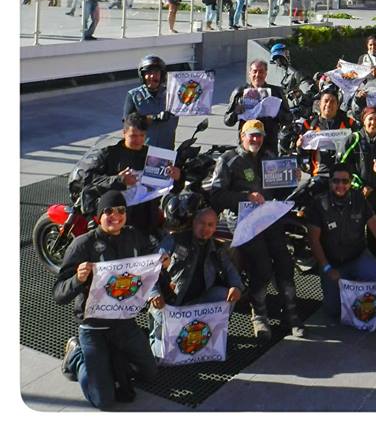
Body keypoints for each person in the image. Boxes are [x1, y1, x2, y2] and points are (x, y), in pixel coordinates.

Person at [55, 190, 160, 408]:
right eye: (109, 211)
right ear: (98, 216)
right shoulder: (82, 244)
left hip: (125, 323)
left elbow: (152, 253)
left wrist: (162, 260)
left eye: (121, 210)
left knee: (150, 374)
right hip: (94, 328)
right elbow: (59, 294)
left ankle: (111, 361)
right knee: (103, 400)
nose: (116, 216)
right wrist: (77, 279)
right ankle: (76, 356)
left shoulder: (134, 236)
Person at [210, 119, 304, 339]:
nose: (255, 139)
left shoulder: (269, 157)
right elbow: (216, 195)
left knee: (284, 261)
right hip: (243, 220)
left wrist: (292, 179)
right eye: (251, 135)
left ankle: (290, 313)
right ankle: (259, 315)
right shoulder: (228, 160)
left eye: (259, 135)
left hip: (268, 216)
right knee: (261, 264)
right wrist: (245, 197)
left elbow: (279, 192)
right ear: (242, 136)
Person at [306, 162, 376, 319]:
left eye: (345, 181)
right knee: (334, 312)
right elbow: (313, 241)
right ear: (330, 182)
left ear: (351, 182)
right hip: (331, 262)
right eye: (336, 181)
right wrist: (326, 268)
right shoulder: (318, 204)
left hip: (357, 256)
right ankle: (342, 286)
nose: (340, 185)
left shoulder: (359, 199)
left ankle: (354, 285)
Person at [149, 207, 244, 354]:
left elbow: (230, 270)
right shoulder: (174, 240)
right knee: (164, 354)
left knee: (225, 295)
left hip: (198, 303)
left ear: (215, 227)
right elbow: (151, 267)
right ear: (194, 222)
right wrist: (154, 294)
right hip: (171, 304)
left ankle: (212, 337)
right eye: (202, 223)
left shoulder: (217, 248)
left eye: (210, 225)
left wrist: (236, 287)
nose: (205, 228)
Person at [71, 112, 181, 236]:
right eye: (133, 136)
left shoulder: (155, 157)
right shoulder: (109, 154)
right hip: (117, 220)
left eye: (142, 135)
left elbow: (171, 189)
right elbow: (89, 180)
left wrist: (177, 178)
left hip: (148, 220)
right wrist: (119, 180)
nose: (138, 140)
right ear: (124, 133)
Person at [340, 107, 376, 256]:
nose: (373, 122)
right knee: (355, 229)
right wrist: (359, 186)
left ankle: (374, 258)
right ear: (363, 120)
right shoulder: (353, 139)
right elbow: (342, 167)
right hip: (358, 194)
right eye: (370, 119)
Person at [224, 59, 292, 155]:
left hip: (269, 145)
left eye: (261, 71)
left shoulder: (276, 92)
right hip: (246, 144)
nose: (257, 75)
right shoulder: (239, 92)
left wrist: (277, 112)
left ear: (266, 73)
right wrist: (236, 112)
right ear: (249, 73)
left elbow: (289, 119)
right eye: (254, 71)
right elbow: (227, 121)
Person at [297, 86, 356, 181]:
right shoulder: (308, 124)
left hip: (343, 174)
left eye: (332, 102)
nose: (328, 104)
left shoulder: (349, 123)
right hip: (319, 174)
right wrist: (299, 147)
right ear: (320, 104)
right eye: (326, 101)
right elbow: (304, 155)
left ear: (338, 105)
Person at [123, 54, 179, 149]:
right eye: (148, 73)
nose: (152, 76)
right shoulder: (134, 96)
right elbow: (128, 122)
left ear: (162, 75)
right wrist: (153, 117)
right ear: (142, 75)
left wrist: (204, 79)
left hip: (167, 150)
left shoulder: (173, 95)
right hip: (143, 150)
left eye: (156, 72)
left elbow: (192, 99)